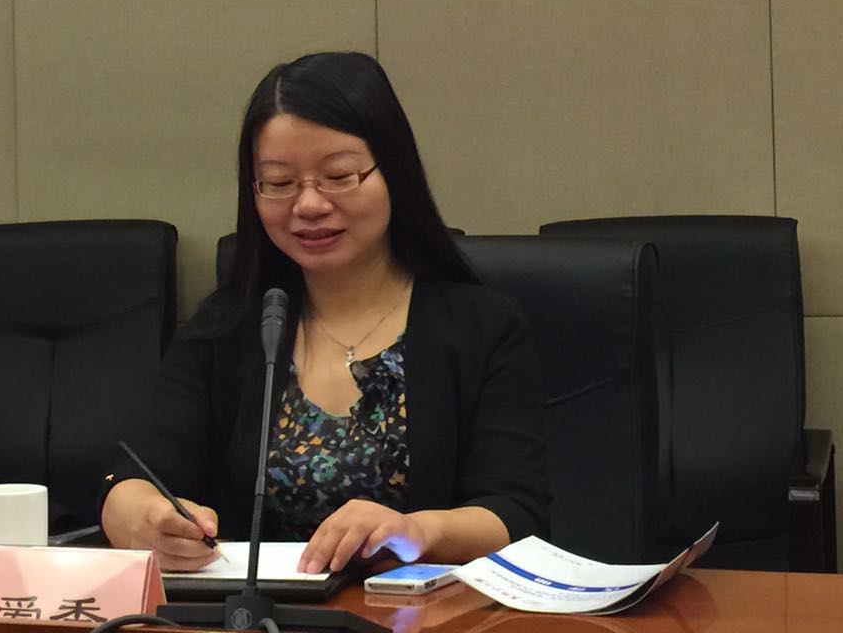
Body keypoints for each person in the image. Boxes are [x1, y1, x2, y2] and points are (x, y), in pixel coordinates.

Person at [99, 51, 548, 573]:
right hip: (259, 610)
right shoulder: (230, 326)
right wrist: (142, 517)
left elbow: (517, 513)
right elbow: (135, 478)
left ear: (394, 172)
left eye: (338, 176)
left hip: (423, 611)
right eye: (279, 183)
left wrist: (417, 532)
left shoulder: (482, 326)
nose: (309, 205)